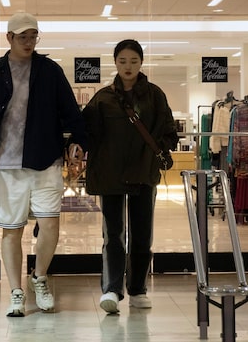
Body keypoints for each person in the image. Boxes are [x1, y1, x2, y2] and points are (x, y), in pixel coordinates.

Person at [0, 12, 86, 317]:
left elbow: (71, 112)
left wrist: (77, 141)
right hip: (6, 164)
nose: (29, 42)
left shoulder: (50, 71)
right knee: (12, 229)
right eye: (23, 37)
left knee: (50, 225)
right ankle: (16, 292)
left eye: (33, 36)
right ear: (9, 38)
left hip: (45, 159)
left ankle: (39, 278)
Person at [82, 39, 178, 315]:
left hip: (143, 171)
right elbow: (87, 131)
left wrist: (159, 149)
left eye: (134, 61)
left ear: (141, 63)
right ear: (115, 63)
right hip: (110, 173)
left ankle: (137, 289)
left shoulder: (154, 95)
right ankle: (111, 289)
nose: (128, 66)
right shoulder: (103, 97)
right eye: (122, 61)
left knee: (142, 234)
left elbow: (168, 129)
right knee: (113, 234)